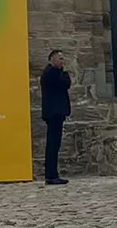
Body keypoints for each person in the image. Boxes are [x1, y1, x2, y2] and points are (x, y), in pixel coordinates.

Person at [39, 49, 71, 185]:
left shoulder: (56, 73)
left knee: (55, 144)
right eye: (60, 58)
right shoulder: (50, 73)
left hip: (57, 112)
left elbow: (67, 83)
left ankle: (52, 174)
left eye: (63, 59)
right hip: (54, 112)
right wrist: (64, 72)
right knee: (52, 144)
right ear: (52, 59)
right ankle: (51, 175)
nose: (62, 61)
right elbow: (64, 83)